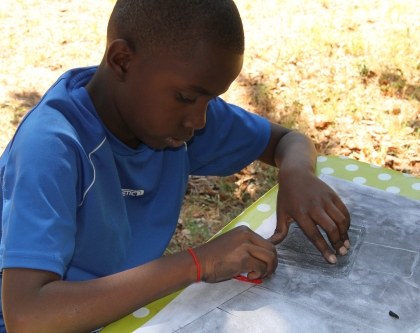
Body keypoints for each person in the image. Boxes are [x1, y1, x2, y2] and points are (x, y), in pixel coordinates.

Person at [0, 0, 350, 332]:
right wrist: (198, 263)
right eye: (186, 98)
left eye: (210, 100)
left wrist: (296, 173)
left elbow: (288, 142)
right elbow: (27, 317)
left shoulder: (171, 122)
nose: (198, 120)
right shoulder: (51, 147)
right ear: (122, 61)